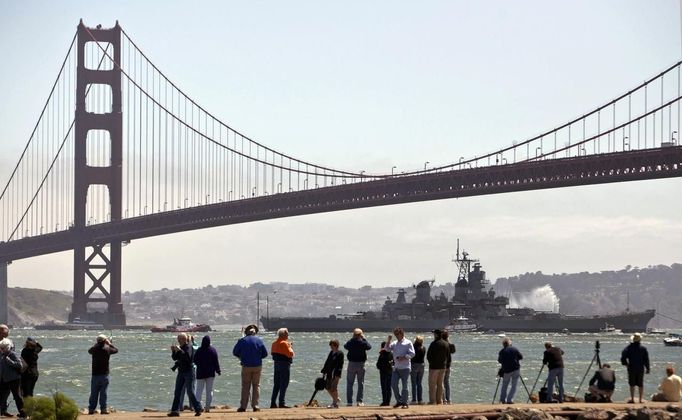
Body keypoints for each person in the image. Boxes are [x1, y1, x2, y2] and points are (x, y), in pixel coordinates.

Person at [232, 324, 268, 412]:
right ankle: (255, 405)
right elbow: (265, 354)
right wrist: (258, 357)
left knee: (245, 386)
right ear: (255, 332)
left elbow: (235, 352)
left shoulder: (242, 340)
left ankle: (243, 406)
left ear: (247, 332)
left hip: (246, 366)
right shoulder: (260, 340)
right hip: (257, 366)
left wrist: (241, 357)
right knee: (256, 385)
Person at [168, 333, 202, 417]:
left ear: (184, 339)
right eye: (178, 339)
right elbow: (175, 358)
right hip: (181, 372)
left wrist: (180, 351)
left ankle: (198, 408)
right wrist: (173, 351)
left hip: (189, 371)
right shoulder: (181, 348)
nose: (179, 341)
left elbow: (189, 359)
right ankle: (175, 411)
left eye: (180, 339)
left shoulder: (189, 347)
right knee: (177, 391)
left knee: (190, 391)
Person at [88, 334, 118, 415]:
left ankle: (91, 409)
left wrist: (96, 344)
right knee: (103, 393)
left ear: (97, 341)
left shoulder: (94, 349)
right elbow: (116, 350)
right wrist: (110, 343)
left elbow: (89, 351)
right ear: (105, 341)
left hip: (95, 375)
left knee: (94, 393)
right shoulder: (107, 349)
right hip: (104, 375)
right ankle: (103, 409)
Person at [387, 327, 415, 409]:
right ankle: (399, 401)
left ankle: (405, 403)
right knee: (393, 384)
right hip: (396, 368)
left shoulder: (408, 342)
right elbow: (387, 349)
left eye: (397, 334)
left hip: (405, 368)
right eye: (395, 334)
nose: (396, 336)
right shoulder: (394, 343)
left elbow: (412, 353)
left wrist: (404, 357)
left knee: (405, 386)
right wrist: (388, 340)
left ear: (402, 334)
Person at [344, 328, 371, 407]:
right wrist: (364, 338)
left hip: (351, 364)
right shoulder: (362, 343)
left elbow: (345, 346)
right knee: (360, 383)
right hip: (361, 364)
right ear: (361, 335)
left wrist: (352, 338)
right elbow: (369, 347)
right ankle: (359, 401)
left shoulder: (351, 342)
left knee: (349, 383)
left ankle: (349, 402)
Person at [193, 335, 221, 413]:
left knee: (198, 391)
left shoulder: (199, 350)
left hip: (200, 373)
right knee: (209, 391)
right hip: (210, 373)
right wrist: (218, 370)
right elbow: (216, 362)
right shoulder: (213, 350)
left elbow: (194, 360)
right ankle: (207, 408)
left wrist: (200, 364)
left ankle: (198, 407)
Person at [621, 332, 650, 403]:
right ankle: (640, 400)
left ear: (633, 339)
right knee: (640, 384)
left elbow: (623, 357)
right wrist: (648, 368)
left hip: (631, 368)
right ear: (640, 340)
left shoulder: (628, 348)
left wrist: (626, 364)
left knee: (632, 384)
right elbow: (646, 360)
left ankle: (632, 399)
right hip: (640, 368)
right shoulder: (643, 348)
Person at [0, 338, 25, 418]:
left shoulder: (12, 354)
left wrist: (9, 361)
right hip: (4, 379)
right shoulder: (2, 355)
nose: (1, 349)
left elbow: (19, 365)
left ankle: (23, 413)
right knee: (3, 396)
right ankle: (3, 412)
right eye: (1, 348)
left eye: (3, 348)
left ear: (7, 347)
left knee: (17, 396)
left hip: (14, 379)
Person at [270, 327, 294, 409]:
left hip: (276, 365)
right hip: (284, 365)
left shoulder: (274, 343)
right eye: (287, 333)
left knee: (276, 384)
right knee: (284, 384)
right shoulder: (284, 343)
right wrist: (290, 346)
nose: (288, 335)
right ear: (284, 335)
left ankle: (273, 402)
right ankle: (281, 402)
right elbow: (290, 354)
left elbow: (273, 353)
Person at [426, 329, 449, 405]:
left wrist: (431, 363)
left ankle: (432, 401)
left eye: (434, 334)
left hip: (434, 367)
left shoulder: (434, 344)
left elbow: (429, 355)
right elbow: (448, 356)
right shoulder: (445, 344)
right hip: (443, 366)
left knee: (432, 384)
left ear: (436, 335)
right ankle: (440, 401)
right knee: (440, 384)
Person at [497, 337, 523, 404]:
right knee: (514, 385)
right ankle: (509, 399)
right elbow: (521, 357)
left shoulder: (502, 351)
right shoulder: (514, 349)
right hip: (515, 368)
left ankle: (503, 399)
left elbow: (499, 360)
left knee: (504, 385)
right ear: (509, 343)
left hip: (506, 370)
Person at [320, 339, 344, 408]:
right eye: (330, 345)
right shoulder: (331, 352)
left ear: (336, 345)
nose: (331, 346)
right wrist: (324, 370)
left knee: (333, 388)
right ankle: (336, 399)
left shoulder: (340, 353)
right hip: (329, 372)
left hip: (336, 373)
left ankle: (334, 403)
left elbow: (340, 364)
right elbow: (327, 362)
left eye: (332, 345)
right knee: (327, 387)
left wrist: (337, 374)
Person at [376, 341, 393, 406]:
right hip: (390, 371)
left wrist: (379, 367)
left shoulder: (382, 354)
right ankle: (388, 401)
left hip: (383, 372)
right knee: (389, 387)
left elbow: (378, 364)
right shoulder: (391, 354)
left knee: (384, 387)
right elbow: (393, 363)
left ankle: (384, 401)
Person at [410, 336, 425, 405]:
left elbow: (411, 356)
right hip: (422, 365)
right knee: (419, 383)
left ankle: (414, 400)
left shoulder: (413, 348)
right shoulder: (423, 348)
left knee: (414, 383)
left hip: (414, 365)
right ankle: (420, 400)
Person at [442, 330, 456, 404]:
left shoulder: (442, 345)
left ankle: (443, 399)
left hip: (442, 366)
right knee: (447, 382)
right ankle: (449, 399)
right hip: (448, 365)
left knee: (441, 383)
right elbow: (453, 351)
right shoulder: (450, 345)